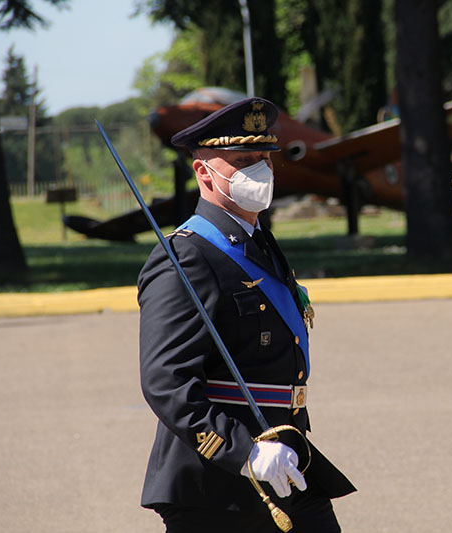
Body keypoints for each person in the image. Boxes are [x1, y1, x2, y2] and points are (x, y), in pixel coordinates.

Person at [137, 97, 355, 532]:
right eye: (242, 162)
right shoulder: (186, 258)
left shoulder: (258, 243)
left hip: (284, 456)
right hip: (218, 485)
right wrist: (243, 452)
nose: (260, 171)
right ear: (204, 172)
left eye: (264, 159)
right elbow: (167, 380)